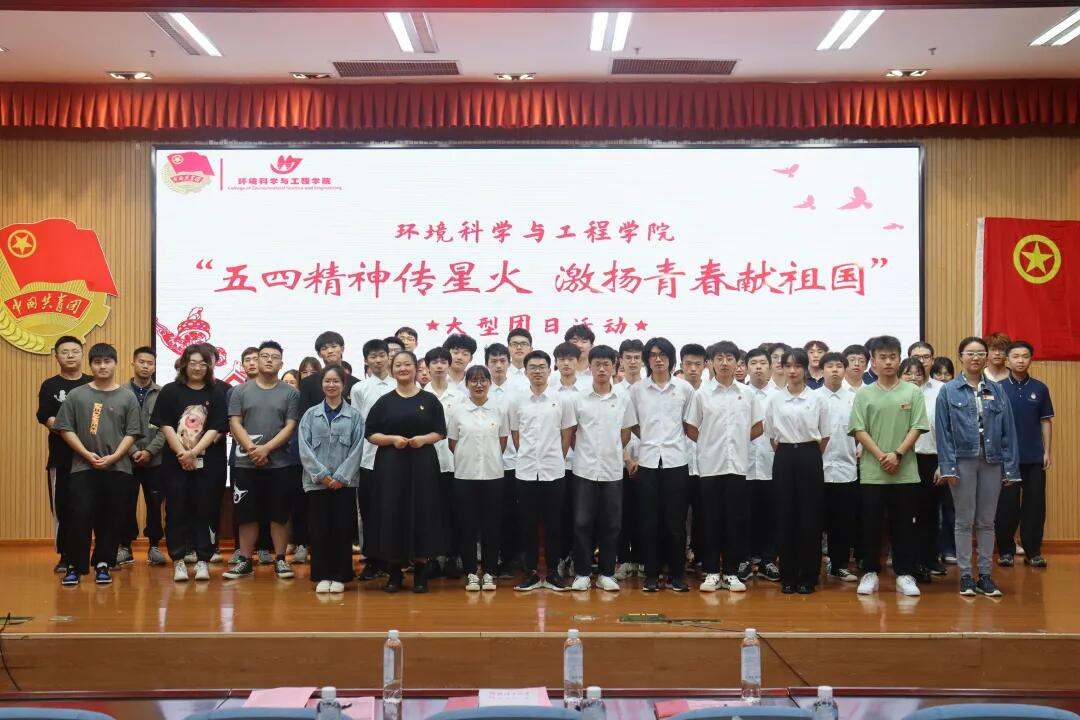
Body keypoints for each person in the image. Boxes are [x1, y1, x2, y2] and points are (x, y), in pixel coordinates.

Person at [936, 336, 1021, 597]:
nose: (976, 358)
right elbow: (943, 432)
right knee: (963, 520)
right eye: (970, 353)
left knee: (986, 521)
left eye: (980, 353)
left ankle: (985, 575)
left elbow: (1008, 431)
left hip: (992, 460)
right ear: (960, 356)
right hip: (962, 460)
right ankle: (965, 576)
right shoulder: (948, 390)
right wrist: (948, 467)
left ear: (986, 358)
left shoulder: (997, 390)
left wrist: (1010, 468)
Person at [54, 343, 142, 586]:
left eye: (107, 361)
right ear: (90, 365)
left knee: (111, 517)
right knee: (79, 515)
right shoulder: (77, 395)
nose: (102, 366)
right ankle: (74, 566)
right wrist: (85, 453)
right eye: (97, 362)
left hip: (118, 468)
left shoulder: (127, 396)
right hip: (83, 467)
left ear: (115, 364)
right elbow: (65, 428)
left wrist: (114, 456)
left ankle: (104, 563)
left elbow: (133, 432)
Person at [849, 335, 929, 598]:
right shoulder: (864, 393)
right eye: (882, 357)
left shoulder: (912, 392)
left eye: (892, 357)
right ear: (873, 362)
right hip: (873, 473)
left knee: (904, 526)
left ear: (899, 359)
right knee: (870, 526)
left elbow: (917, 426)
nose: (888, 362)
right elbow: (858, 429)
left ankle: (905, 574)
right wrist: (882, 456)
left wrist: (897, 454)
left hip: (905, 472)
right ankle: (870, 572)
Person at [684, 341, 764, 593]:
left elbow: (758, 426)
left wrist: (737, 441)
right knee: (710, 521)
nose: (725, 363)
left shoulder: (747, 394)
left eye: (730, 358)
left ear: (738, 362)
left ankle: (730, 572)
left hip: (737, 466)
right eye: (720, 358)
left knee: (735, 521)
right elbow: (691, 427)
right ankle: (710, 572)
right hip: (710, 466)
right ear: (711, 363)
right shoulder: (702, 394)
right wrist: (709, 444)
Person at [364, 351, 447, 593]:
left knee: (422, 512)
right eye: (398, 365)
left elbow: (440, 431)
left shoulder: (430, 400)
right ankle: (394, 573)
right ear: (392, 370)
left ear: (416, 368)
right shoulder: (384, 401)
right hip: (391, 465)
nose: (402, 369)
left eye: (407, 364)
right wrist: (391, 439)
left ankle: (421, 572)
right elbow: (370, 433)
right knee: (392, 512)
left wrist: (423, 439)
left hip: (423, 463)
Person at [223, 341, 301, 580]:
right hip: (245, 463)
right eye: (264, 356)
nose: (269, 360)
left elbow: (290, 425)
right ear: (256, 361)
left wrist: (266, 449)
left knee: (280, 514)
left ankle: (280, 560)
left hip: (280, 463)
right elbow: (234, 422)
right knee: (246, 514)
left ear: (281, 363)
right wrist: (251, 448)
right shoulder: (240, 391)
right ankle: (245, 561)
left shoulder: (291, 393)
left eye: (274, 357)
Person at [152, 344, 228, 582]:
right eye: (193, 363)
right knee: (176, 509)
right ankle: (179, 561)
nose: (197, 368)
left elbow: (216, 427)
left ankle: (203, 560)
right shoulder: (170, 391)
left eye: (203, 364)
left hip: (209, 462)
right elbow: (165, 424)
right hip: (175, 462)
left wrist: (194, 452)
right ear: (184, 364)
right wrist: (183, 453)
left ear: (210, 366)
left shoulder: (217, 392)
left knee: (206, 509)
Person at [627, 337, 694, 593]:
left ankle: (677, 575)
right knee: (648, 522)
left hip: (676, 462)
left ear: (671, 359)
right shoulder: (637, 390)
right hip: (647, 463)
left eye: (663, 355)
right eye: (653, 355)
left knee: (676, 523)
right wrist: (650, 439)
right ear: (647, 360)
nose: (658, 359)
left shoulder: (684, 389)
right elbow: (633, 423)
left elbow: (688, 424)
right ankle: (652, 575)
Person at [567, 345, 634, 592]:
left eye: (607, 364)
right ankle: (582, 573)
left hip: (612, 470)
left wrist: (613, 452)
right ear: (590, 367)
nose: (602, 369)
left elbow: (625, 433)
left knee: (612, 524)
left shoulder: (623, 398)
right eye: (597, 364)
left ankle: (606, 573)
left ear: (615, 367)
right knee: (582, 523)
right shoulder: (578, 398)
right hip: (584, 470)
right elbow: (572, 433)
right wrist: (585, 453)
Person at [509, 350, 575, 592]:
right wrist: (528, 455)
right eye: (533, 367)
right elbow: (516, 435)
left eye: (542, 367)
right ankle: (532, 574)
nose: (537, 371)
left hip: (553, 470)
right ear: (525, 371)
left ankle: (554, 573)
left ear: (550, 370)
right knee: (527, 524)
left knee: (554, 523)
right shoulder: (517, 401)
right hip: (526, 470)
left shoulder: (562, 399)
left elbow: (567, 435)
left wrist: (556, 457)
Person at [764, 348, 829, 594]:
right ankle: (788, 576)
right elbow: (771, 435)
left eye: (797, 366)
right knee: (785, 516)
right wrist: (789, 452)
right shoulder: (774, 399)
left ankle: (808, 576)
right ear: (781, 368)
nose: (792, 371)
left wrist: (806, 453)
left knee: (810, 517)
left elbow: (825, 436)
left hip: (810, 456)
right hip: (784, 457)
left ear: (805, 369)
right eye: (787, 366)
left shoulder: (818, 399)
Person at [298, 365, 366, 593]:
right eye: (327, 381)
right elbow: (304, 448)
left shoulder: (355, 416)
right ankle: (321, 575)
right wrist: (322, 476)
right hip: (316, 484)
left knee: (342, 529)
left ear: (344, 385)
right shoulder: (310, 415)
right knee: (319, 530)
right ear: (321, 385)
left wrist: (341, 477)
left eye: (336, 381)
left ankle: (340, 575)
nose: (331, 385)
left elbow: (357, 449)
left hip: (344, 485)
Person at [448, 365, 509, 592]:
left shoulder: (499, 410)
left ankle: (490, 572)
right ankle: (471, 573)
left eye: (483, 380)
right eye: (473, 380)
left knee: (492, 526)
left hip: (493, 475)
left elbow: (502, 441)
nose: (479, 385)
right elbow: (453, 443)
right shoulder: (458, 411)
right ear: (466, 384)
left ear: (490, 383)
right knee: (467, 526)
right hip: (465, 476)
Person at [996, 340, 1053, 569]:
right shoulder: (998, 388)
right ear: (1007, 360)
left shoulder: (1040, 388)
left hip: (1034, 457)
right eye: (1016, 356)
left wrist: (1047, 451)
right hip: (1006, 458)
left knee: (1035, 505)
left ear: (1031, 359)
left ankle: (1033, 551)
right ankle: (1006, 551)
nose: (1020, 360)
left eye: (1025, 356)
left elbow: (1045, 421)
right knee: (1006, 506)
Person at [37, 336, 92, 573]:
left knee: (89, 508)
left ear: (82, 354)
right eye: (65, 351)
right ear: (56, 356)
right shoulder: (50, 386)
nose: (70, 355)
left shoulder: (92, 383)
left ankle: (93, 556)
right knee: (63, 508)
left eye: (75, 351)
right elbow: (48, 418)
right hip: (62, 459)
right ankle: (66, 555)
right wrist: (76, 437)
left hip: (92, 458)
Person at [118, 346, 166, 568]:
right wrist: (133, 450)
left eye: (150, 363)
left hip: (155, 460)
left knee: (155, 505)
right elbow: (118, 427)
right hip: (125, 460)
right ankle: (125, 547)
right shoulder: (119, 392)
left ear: (154, 367)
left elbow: (166, 427)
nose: (146, 366)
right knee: (125, 504)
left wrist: (149, 451)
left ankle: (154, 546)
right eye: (142, 362)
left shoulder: (162, 393)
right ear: (133, 363)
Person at [901, 357, 947, 580]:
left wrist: (942, 463)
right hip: (902, 460)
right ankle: (910, 562)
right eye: (908, 373)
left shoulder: (936, 395)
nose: (913, 377)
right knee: (906, 514)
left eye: (918, 373)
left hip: (929, 459)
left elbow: (944, 431)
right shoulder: (894, 396)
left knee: (929, 513)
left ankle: (929, 559)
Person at [354, 339, 395, 580]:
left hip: (396, 458)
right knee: (368, 511)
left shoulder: (400, 384)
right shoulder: (360, 389)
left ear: (389, 357)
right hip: (367, 458)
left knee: (392, 509)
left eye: (382, 355)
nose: (378, 360)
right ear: (366, 360)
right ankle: (371, 559)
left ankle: (393, 560)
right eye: (373, 356)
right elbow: (358, 424)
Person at [817, 351, 859, 582]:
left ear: (845, 370)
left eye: (839, 366)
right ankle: (812, 564)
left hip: (846, 468)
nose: (834, 370)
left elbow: (863, 429)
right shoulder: (813, 398)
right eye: (830, 366)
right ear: (821, 370)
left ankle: (839, 564)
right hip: (817, 470)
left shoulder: (856, 398)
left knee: (842, 522)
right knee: (814, 520)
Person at [425, 346, 465, 580]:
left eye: (443, 362)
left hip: (455, 463)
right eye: (435, 362)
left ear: (449, 366)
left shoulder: (460, 396)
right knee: (430, 511)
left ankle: (452, 556)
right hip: (427, 463)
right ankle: (432, 557)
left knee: (454, 511)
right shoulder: (421, 394)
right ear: (427, 367)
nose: (439, 366)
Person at [486, 343, 523, 576]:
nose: (498, 365)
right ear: (487, 364)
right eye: (493, 361)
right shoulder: (480, 388)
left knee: (512, 513)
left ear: (509, 363)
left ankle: (511, 558)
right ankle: (492, 558)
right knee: (491, 513)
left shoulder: (520, 390)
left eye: (502, 361)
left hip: (514, 462)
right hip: (486, 463)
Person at [551, 341, 589, 575]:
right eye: (561, 359)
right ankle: (560, 557)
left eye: (570, 359)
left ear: (578, 361)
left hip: (581, 462)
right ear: (556, 362)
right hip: (553, 464)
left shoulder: (587, 390)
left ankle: (579, 558)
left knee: (580, 515)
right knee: (559, 514)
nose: (566, 363)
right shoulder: (548, 388)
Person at [744, 347, 780, 583]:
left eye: (762, 363)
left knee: (771, 516)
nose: (758, 367)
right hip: (744, 465)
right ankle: (744, 561)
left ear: (770, 367)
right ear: (747, 367)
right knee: (744, 516)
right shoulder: (739, 393)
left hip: (772, 464)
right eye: (753, 363)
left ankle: (768, 561)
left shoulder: (780, 395)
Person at [614, 339, 645, 580]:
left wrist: (642, 460)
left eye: (637, 357)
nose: (632, 362)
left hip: (649, 462)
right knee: (621, 514)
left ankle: (643, 559)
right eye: (628, 357)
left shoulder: (649, 389)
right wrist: (627, 459)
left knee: (646, 513)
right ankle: (624, 560)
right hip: (619, 463)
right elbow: (614, 430)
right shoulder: (614, 391)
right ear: (621, 361)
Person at [679, 343, 707, 575]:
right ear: (681, 365)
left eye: (698, 364)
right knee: (676, 515)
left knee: (703, 515)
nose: (693, 369)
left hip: (706, 465)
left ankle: (700, 556)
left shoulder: (709, 393)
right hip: (678, 463)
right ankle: (677, 556)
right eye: (688, 364)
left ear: (705, 365)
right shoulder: (675, 392)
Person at [281, 370, 309, 564]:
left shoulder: (303, 405)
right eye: (285, 382)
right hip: (278, 460)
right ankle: (289, 541)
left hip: (298, 460)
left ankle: (301, 543)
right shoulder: (277, 402)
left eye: (293, 382)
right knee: (283, 505)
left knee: (300, 505)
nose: (289, 385)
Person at [299, 331, 359, 413]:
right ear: (319, 354)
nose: (330, 351)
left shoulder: (356, 384)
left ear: (342, 349)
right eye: (324, 348)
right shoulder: (307, 383)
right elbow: (303, 414)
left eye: (334, 346)